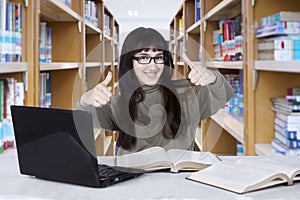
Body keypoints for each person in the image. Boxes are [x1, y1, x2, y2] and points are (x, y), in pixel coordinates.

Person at [77, 27, 233, 155]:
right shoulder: (118, 103)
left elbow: (226, 93)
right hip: (131, 185)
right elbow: (82, 120)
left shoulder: (186, 96)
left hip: (177, 185)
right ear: (130, 62)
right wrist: (85, 100)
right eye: (144, 57)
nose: (153, 66)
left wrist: (212, 77)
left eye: (158, 57)